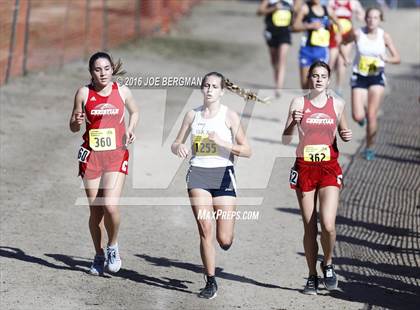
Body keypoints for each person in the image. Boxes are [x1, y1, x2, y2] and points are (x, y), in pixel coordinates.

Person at [171, 72, 252, 299]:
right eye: (206, 85)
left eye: (214, 86)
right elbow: (175, 142)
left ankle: (224, 241)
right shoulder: (192, 115)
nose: (209, 90)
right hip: (198, 175)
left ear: (222, 91)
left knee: (224, 239)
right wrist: (178, 147)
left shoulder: (230, 116)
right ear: (202, 89)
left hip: (223, 175)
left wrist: (223, 142)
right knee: (205, 229)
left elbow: (247, 150)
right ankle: (210, 280)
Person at [282, 61, 352, 294]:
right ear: (309, 79)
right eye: (315, 75)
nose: (319, 79)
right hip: (305, 168)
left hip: (329, 168)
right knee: (310, 227)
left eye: (323, 76)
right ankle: (312, 276)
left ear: (329, 80)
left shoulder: (338, 104)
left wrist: (346, 134)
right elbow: (285, 139)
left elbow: (343, 132)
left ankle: (328, 264)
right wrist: (293, 121)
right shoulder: (299, 103)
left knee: (329, 226)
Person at [69, 52, 139, 276]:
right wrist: (75, 121)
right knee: (96, 211)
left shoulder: (122, 91)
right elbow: (73, 126)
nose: (103, 73)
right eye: (98, 70)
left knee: (110, 204)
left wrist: (130, 129)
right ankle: (98, 255)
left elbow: (135, 111)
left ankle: (113, 247)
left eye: (107, 68)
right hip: (91, 158)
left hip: (116, 156)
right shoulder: (83, 93)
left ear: (112, 69)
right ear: (91, 72)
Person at [340, 7, 400, 160]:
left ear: (380, 20)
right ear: (365, 18)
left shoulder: (384, 36)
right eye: (369, 17)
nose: (372, 20)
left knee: (372, 115)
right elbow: (343, 43)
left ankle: (369, 148)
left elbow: (397, 58)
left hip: (376, 77)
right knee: (357, 115)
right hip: (359, 76)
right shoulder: (357, 33)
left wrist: (387, 59)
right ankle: (362, 120)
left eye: (375, 18)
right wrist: (346, 56)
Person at [293, 0, 342, 89]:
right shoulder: (305, 9)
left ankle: (318, 101)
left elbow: (339, 24)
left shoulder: (327, 10)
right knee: (305, 85)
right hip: (306, 50)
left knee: (319, 84)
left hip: (322, 51)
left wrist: (338, 35)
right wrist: (309, 26)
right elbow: (295, 26)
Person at [257, 0, 294, 97]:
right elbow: (259, 11)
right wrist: (273, 8)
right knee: (274, 60)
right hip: (271, 31)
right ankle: (277, 79)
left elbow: (298, 11)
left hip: (285, 31)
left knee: (282, 58)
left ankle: (279, 87)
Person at [328, 0, 365, 95]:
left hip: (347, 34)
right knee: (331, 61)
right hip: (334, 33)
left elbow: (361, 15)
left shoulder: (352, 2)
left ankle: (339, 89)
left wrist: (360, 15)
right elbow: (326, 13)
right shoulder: (332, 1)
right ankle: (324, 86)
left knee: (342, 61)